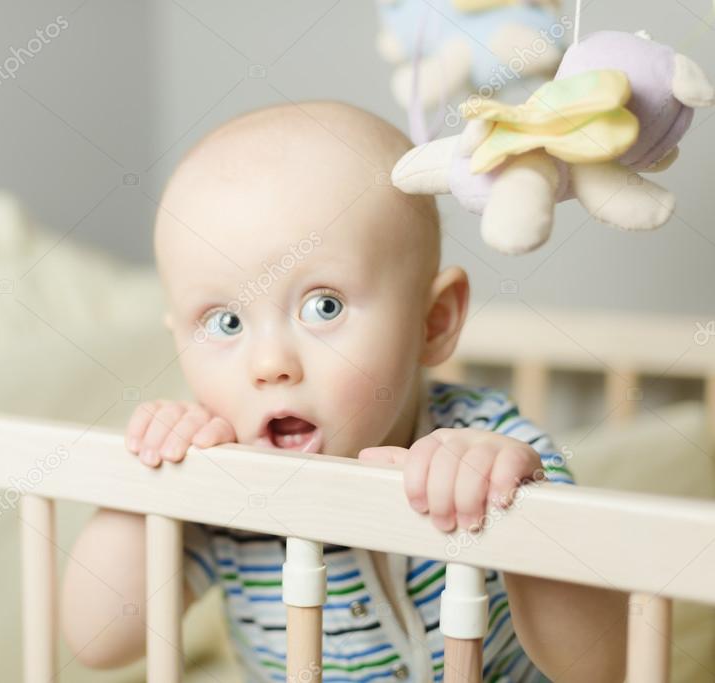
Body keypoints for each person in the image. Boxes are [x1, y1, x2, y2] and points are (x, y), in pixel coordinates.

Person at [61, 101, 627, 682]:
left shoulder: (495, 446)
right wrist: (145, 486)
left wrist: (518, 516)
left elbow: (601, 667)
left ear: (432, 321)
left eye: (323, 306)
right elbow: (101, 639)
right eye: (225, 322)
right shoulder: (224, 482)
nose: (269, 364)